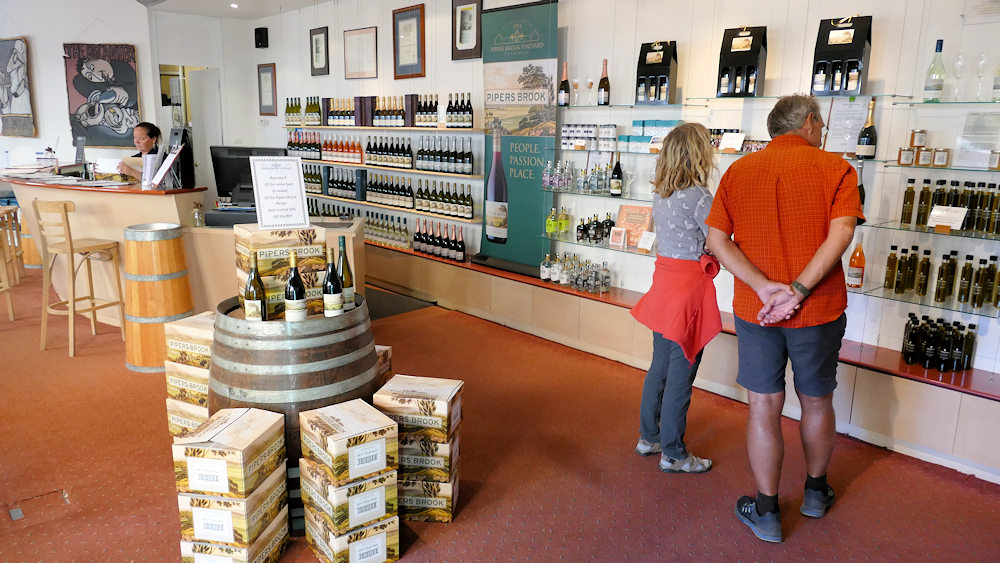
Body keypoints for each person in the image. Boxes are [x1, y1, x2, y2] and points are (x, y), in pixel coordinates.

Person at [705, 94, 864, 543]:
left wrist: (763, 287)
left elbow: (717, 240)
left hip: (757, 310)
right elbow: (843, 232)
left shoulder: (738, 170)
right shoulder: (837, 168)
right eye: (821, 125)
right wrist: (798, 290)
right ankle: (815, 493)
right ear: (809, 122)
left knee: (763, 406)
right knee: (817, 401)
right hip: (819, 308)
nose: (823, 132)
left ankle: (767, 510)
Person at [630, 122, 722, 474]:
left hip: (663, 285)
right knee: (682, 370)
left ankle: (649, 437)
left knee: (660, 366)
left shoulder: (661, 194)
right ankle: (673, 453)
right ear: (699, 155)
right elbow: (717, 241)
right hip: (688, 291)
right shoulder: (700, 197)